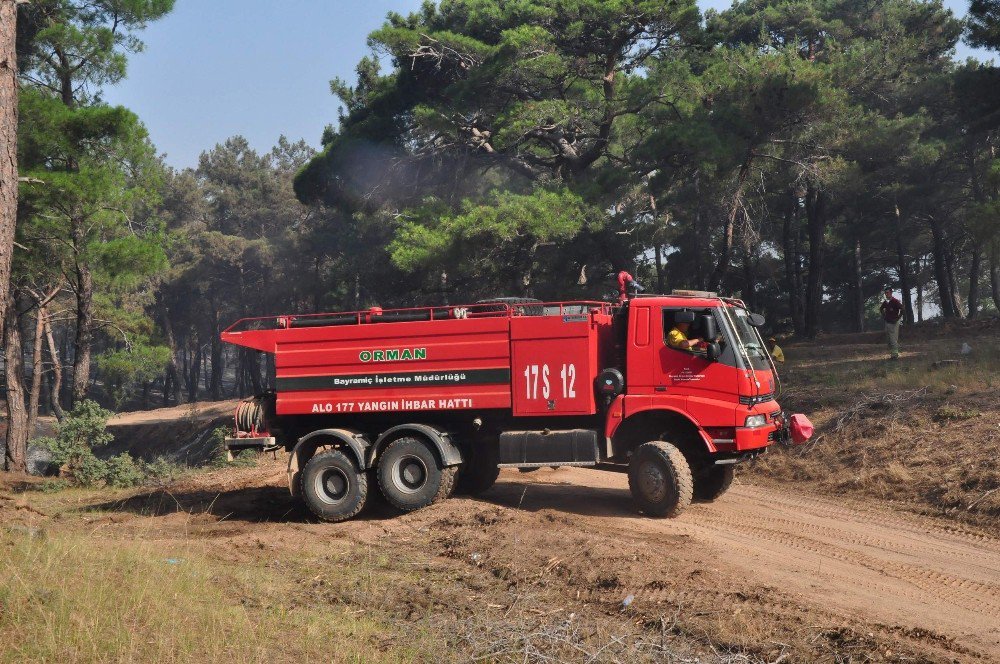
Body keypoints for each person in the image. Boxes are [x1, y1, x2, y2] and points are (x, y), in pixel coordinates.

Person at [879, 287, 903, 360]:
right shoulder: (886, 302)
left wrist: (898, 318)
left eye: (888, 292)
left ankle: (895, 355)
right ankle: (893, 353)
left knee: (893, 339)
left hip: (894, 323)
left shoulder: (895, 301)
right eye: (885, 293)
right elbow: (881, 309)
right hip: (887, 322)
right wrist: (884, 316)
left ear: (891, 293)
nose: (886, 294)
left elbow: (902, 309)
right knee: (888, 340)